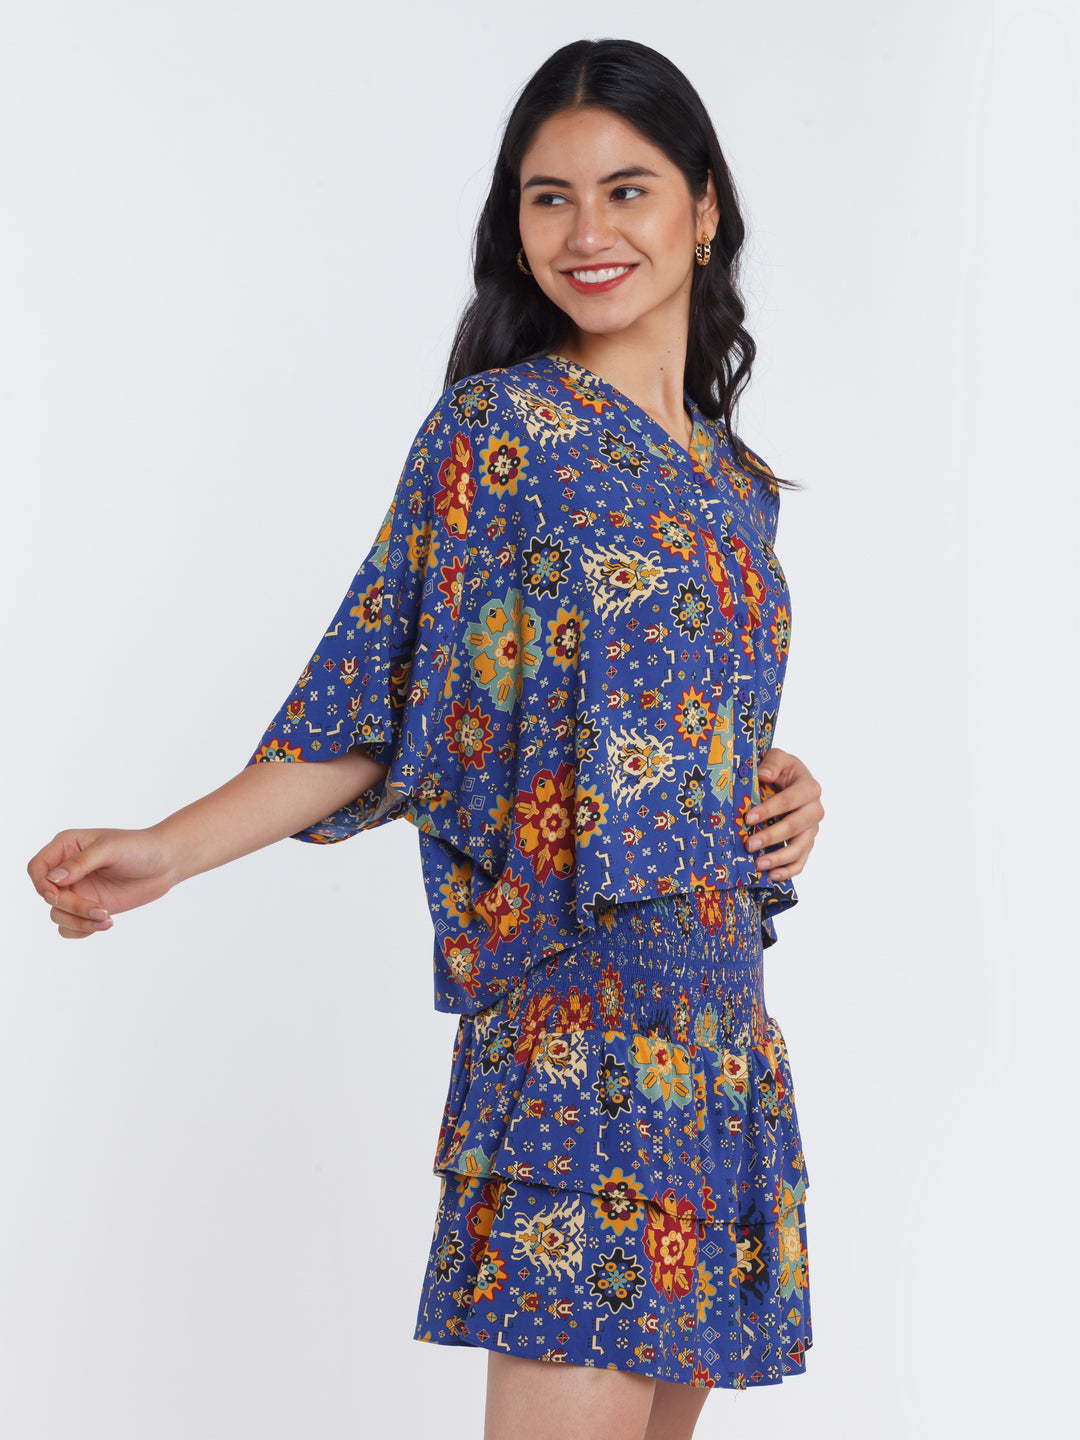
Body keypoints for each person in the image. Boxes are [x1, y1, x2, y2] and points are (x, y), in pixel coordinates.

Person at [26, 37, 824, 1440]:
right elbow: (382, 707)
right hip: (575, 1029)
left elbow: (666, 723)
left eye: (627, 190)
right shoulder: (498, 439)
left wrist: (789, 786)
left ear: (704, 208)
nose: (585, 232)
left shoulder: (738, 484)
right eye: (547, 197)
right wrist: (168, 850)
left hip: (717, 1035)